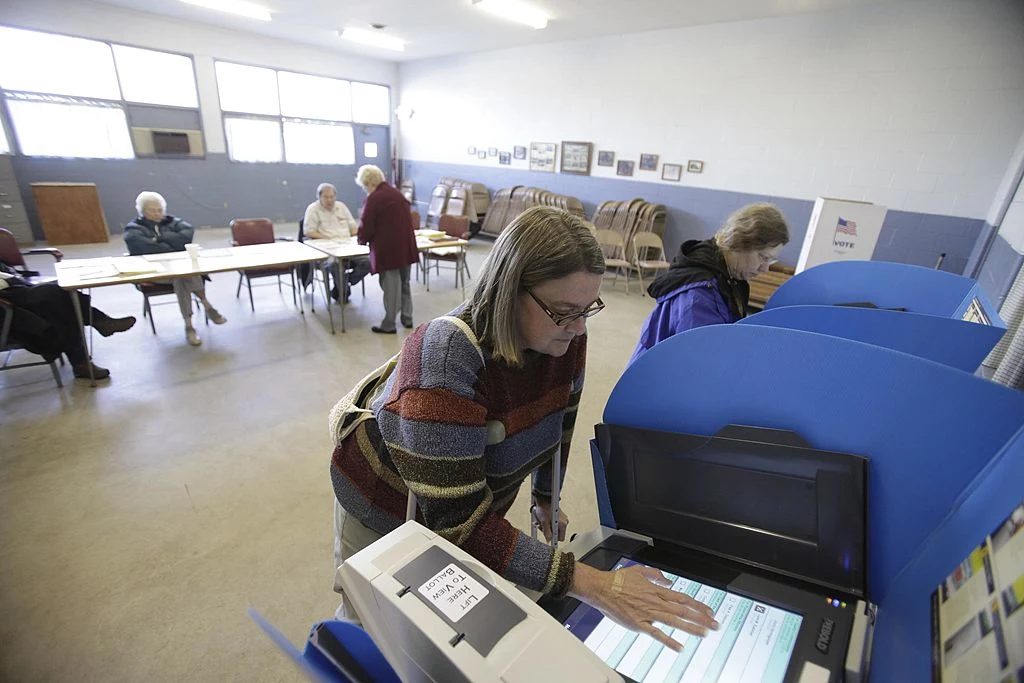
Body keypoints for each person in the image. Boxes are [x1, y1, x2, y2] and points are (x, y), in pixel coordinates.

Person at [329, 206, 719, 650]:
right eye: (564, 311)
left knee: (446, 632)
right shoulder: (446, 357)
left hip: (465, 502)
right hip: (384, 500)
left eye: (588, 308)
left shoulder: (567, 335)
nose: (578, 327)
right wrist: (596, 585)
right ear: (509, 290)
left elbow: (561, 423)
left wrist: (545, 497)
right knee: (374, 626)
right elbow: (461, 524)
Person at [628, 203, 790, 366]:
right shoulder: (700, 296)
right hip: (657, 379)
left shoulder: (728, 277)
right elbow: (700, 364)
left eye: (771, 259)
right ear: (741, 242)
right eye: (763, 257)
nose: (766, 268)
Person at [1, 261, 136, 380]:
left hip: (12, 290)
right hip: (8, 311)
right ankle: (99, 325)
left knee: (63, 296)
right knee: (59, 296)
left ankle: (83, 358)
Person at [123, 191, 227, 347]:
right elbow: (146, 247)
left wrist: (159, 239)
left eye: (160, 210)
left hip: (177, 271)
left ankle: (189, 325)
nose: (158, 213)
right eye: (153, 210)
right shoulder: (133, 228)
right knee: (185, 276)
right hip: (153, 272)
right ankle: (207, 306)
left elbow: (186, 236)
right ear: (143, 212)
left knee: (182, 276)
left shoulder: (173, 221)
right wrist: (172, 243)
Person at [354, 165, 418, 334]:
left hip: (387, 250)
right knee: (404, 283)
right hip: (406, 247)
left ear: (367, 182)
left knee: (391, 287)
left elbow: (366, 224)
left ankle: (389, 324)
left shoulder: (375, 198)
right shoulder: (396, 193)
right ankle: (407, 318)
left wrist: (361, 239)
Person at [302, 182, 370, 301]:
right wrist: (327, 239)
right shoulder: (313, 209)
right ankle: (342, 291)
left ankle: (345, 282)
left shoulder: (341, 207)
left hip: (347, 246)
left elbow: (353, 228)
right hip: (327, 249)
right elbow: (309, 232)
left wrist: (358, 240)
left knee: (368, 262)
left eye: (332, 197)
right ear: (319, 197)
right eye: (326, 197)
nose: (329, 200)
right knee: (334, 264)